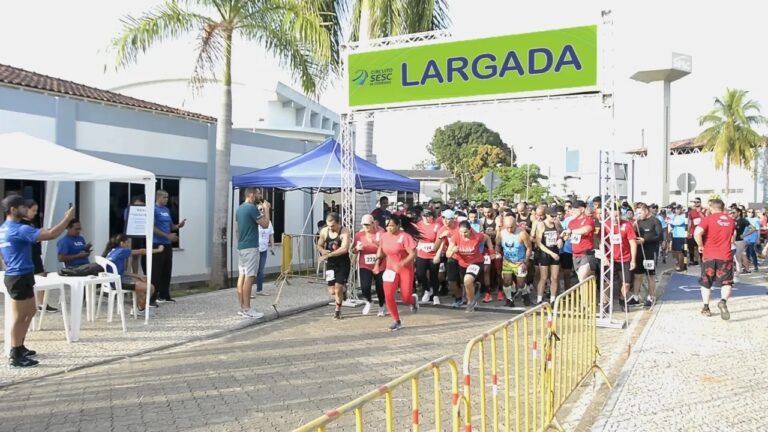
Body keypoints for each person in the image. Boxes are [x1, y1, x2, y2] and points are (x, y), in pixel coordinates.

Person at [0, 195, 75, 368]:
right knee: (20, 316)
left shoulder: (4, 227)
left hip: (21, 274)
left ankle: (20, 345)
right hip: (18, 276)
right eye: (23, 207)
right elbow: (51, 234)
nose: (27, 210)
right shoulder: (19, 229)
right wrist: (67, 218)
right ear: (13, 210)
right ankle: (15, 354)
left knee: (31, 311)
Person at [373, 214, 421, 331]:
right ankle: (396, 320)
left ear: (398, 226)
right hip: (390, 268)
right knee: (388, 295)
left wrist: (403, 263)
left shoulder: (405, 237)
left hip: (405, 269)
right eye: (387, 226)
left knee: (405, 298)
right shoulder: (384, 236)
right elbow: (381, 251)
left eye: (392, 226)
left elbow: (413, 254)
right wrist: (376, 264)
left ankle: (413, 300)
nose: (389, 228)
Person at [694, 199, 736, 320]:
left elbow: (697, 233)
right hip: (725, 255)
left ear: (711, 207)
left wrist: (700, 245)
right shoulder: (730, 220)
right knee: (726, 282)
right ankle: (723, 301)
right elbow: (732, 237)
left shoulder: (708, 219)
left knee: (706, 282)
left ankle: (706, 307)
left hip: (710, 255)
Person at [102, 234, 162, 312]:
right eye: (127, 243)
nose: (128, 245)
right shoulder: (122, 251)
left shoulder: (112, 251)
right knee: (150, 288)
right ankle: (139, 309)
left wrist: (137, 275)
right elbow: (141, 251)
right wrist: (158, 250)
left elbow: (121, 272)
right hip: (117, 282)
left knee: (143, 280)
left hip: (113, 280)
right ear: (122, 243)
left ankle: (139, 305)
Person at [235, 188, 270, 319]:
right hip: (250, 247)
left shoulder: (239, 209)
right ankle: (247, 309)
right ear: (251, 194)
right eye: (258, 193)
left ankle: (242, 307)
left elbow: (237, 230)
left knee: (242, 276)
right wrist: (266, 210)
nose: (259, 196)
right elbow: (265, 224)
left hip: (242, 246)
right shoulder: (251, 208)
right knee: (250, 277)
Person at [19, 200, 57, 313]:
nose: (35, 213)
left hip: (36, 254)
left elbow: (38, 233)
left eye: (36, 210)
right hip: (27, 255)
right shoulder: (20, 224)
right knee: (29, 280)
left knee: (42, 276)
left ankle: (42, 303)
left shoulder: (32, 222)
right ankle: (30, 303)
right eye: (33, 210)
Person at [447, 220, 493, 312]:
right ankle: (475, 287)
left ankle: (471, 302)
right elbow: (447, 254)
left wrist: (492, 252)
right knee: (465, 284)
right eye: (461, 232)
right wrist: (453, 251)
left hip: (476, 262)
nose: (463, 234)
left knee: (467, 280)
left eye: (465, 232)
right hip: (462, 263)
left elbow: (487, 238)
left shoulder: (477, 236)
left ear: (470, 230)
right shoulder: (456, 237)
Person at [151, 190, 186, 304]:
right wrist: (167, 236)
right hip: (157, 244)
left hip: (167, 245)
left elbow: (170, 226)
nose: (167, 199)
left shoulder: (166, 210)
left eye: (167, 197)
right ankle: (153, 297)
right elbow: (152, 228)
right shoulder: (153, 210)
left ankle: (164, 295)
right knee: (156, 271)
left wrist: (178, 226)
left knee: (167, 270)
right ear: (158, 197)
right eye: (165, 197)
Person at [317, 212, 352, 320]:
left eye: (332, 226)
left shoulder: (345, 232)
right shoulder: (324, 231)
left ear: (338, 223)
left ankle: (338, 310)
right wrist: (322, 251)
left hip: (343, 263)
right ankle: (344, 290)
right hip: (330, 264)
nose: (330, 228)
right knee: (332, 291)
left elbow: (344, 249)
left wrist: (329, 254)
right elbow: (319, 244)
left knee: (337, 289)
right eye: (328, 225)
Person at [604, 203, 637, 313]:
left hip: (625, 258)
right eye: (613, 216)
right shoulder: (605, 225)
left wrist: (633, 260)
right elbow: (601, 242)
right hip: (610, 259)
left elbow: (633, 243)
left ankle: (622, 299)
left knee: (626, 283)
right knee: (607, 282)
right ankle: (606, 303)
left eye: (617, 216)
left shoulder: (627, 225)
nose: (615, 219)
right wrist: (604, 257)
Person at [353, 214, 386, 316]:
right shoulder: (359, 235)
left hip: (380, 263)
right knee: (365, 287)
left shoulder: (380, 232)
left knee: (380, 286)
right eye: (363, 225)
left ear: (373, 223)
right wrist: (357, 249)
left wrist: (375, 243)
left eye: (367, 225)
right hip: (365, 264)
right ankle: (368, 301)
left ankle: (381, 305)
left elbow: (385, 248)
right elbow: (353, 250)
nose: (365, 227)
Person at [497, 215, 532, 307]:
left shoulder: (522, 233)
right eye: (507, 227)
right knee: (506, 281)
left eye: (511, 227)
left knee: (520, 284)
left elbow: (529, 248)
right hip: (507, 261)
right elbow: (497, 245)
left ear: (516, 225)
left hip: (519, 262)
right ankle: (509, 299)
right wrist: (498, 253)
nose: (509, 229)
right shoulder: (501, 233)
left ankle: (525, 294)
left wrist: (525, 261)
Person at [531, 208, 563, 305]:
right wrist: (551, 253)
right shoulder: (541, 225)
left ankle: (553, 300)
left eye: (555, 216)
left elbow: (561, 233)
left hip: (555, 250)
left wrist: (561, 239)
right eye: (552, 216)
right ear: (547, 215)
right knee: (543, 277)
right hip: (544, 253)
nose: (554, 218)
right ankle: (539, 299)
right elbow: (539, 243)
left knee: (554, 277)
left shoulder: (557, 224)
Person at [415, 209, 441, 305]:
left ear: (432, 216)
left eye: (428, 216)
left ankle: (435, 295)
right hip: (421, 252)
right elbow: (415, 237)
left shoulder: (437, 226)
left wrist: (438, 253)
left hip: (433, 253)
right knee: (420, 274)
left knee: (434, 275)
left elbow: (440, 240)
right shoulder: (419, 225)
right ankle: (427, 289)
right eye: (424, 216)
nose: (426, 218)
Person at [566, 200, 596, 282]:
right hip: (575, 254)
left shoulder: (588, 220)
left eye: (576, 209)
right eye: (573, 209)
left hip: (586, 253)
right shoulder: (571, 222)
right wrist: (564, 237)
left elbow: (586, 229)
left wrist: (572, 231)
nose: (573, 211)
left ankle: (585, 294)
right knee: (582, 278)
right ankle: (589, 293)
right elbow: (568, 235)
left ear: (582, 209)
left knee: (582, 277)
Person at [255, 204, 275, 295]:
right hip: (255, 248)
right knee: (252, 270)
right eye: (260, 209)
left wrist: (273, 247)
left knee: (261, 269)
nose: (262, 211)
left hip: (264, 248)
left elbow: (271, 235)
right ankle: (247, 290)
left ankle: (259, 289)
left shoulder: (268, 222)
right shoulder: (255, 221)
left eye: (263, 209)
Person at [669, 205, 688, 271]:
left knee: (680, 251)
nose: (676, 210)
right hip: (675, 235)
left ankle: (681, 266)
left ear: (681, 209)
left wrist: (670, 222)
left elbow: (678, 223)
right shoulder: (675, 216)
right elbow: (672, 225)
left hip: (681, 235)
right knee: (674, 251)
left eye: (678, 209)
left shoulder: (684, 216)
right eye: (675, 209)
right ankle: (679, 263)